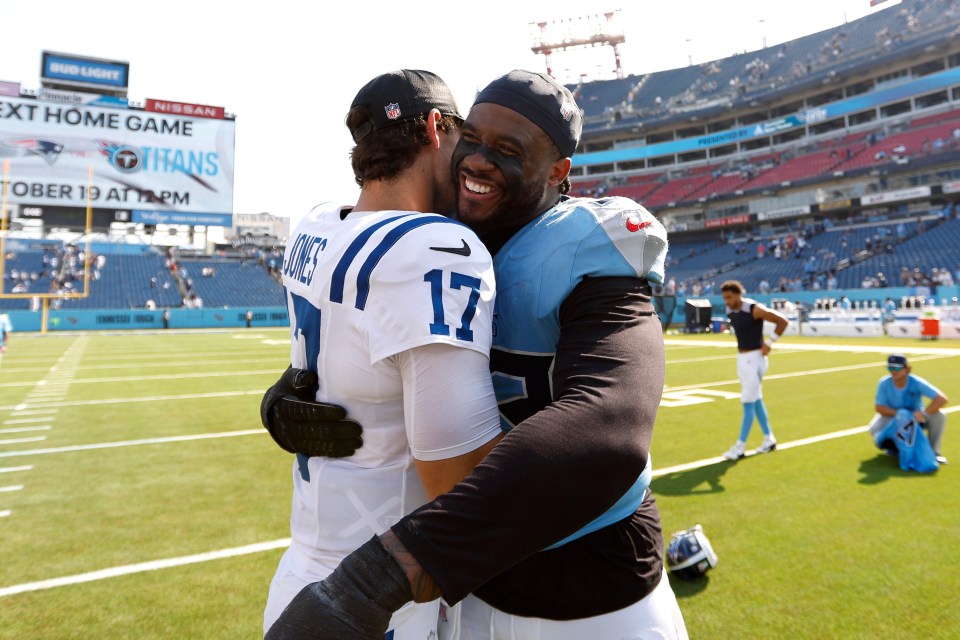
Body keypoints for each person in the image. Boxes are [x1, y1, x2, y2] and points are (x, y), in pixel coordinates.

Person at [264, 70, 684, 639]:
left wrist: (388, 570)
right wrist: (295, 391)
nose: (478, 161)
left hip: (586, 581)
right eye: (473, 140)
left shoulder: (589, 245)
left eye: (507, 151)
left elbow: (608, 425)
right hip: (468, 591)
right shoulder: (438, 235)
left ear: (559, 172)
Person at [261, 70, 503, 637]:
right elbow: (461, 481)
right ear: (437, 129)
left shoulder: (316, 226)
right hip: (378, 598)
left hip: (303, 570)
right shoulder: (435, 248)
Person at [720, 280, 789, 460]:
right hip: (742, 359)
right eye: (725, 298)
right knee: (756, 400)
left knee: (748, 403)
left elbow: (782, 321)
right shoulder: (730, 310)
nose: (727, 301)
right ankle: (769, 439)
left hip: (755, 360)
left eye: (729, 297)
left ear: (739, 294)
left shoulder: (754, 308)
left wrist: (770, 342)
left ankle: (740, 447)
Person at [869, 354, 948, 469]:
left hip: (916, 417)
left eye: (897, 368)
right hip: (893, 416)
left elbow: (942, 398)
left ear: (907, 369)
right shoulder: (884, 383)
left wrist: (924, 413)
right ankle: (893, 447)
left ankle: (934, 452)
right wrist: (900, 414)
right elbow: (879, 408)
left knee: (939, 416)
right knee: (874, 429)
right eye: (890, 368)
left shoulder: (916, 382)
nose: (893, 372)